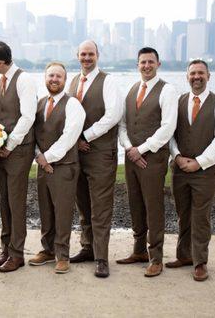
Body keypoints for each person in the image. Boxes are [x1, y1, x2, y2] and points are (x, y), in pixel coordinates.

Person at [166, 59, 215, 281]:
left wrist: (199, 162)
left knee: (200, 216)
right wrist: (176, 156)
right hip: (180, 169)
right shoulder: (179, 102)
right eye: (192, 73)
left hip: (206, 171)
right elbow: (170, 134)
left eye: (201, 73)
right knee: (183, 215)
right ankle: (184, 255)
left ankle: (200, 262)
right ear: (187, 77)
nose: (197, 77)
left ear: (208, 76)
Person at [117, 47, 178, 277]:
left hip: (153, 158)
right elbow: (122, 125)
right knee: (135, 204)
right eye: (143, 62)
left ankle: (156, 258)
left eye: (151, 62)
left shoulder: (167, 91)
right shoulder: (132, 90)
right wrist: (129, 148)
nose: (146, 66)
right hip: (131, 157)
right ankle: (138, 250)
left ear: (158, 64)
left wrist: (141, 150)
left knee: (153, 206)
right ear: (137, 65)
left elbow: (168, 127)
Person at [67, 40, 123, 278]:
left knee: (100, 207)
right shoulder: (72, 81)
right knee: (83, 203)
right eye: (83, 54)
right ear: (77, 56)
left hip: (100, 153)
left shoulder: (108, 82)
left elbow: (113, 116)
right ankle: (87, 247)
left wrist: (85, 136)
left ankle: (101, 257)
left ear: (98, 55)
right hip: (76, 153)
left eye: (90, 54)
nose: (86, 58)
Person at [0, 41, 37, 273]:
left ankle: (17, 254)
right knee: (3, 200)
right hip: (1, 150)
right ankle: (6, 248)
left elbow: (28, 117)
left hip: (18, 150)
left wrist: (11, 144)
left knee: (16, 203)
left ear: (1, 62)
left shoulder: (24, 80)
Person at [28, 62, 85, 274]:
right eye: (51, 75)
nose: (54, 79)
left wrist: (48, 158)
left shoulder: (73, 105)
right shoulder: (40, 103)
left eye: (58, 76)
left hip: (64, 166)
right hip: (43, 165)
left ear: (65, 79)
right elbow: (33, 133)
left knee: (62, 211)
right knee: (46, 210)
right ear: (45, 77)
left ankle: (62, 255)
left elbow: (70, 136)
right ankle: (47, 250)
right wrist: (38, 156)